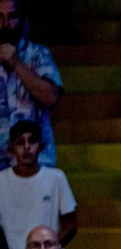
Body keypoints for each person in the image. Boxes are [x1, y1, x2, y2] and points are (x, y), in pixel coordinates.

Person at [0, 121, 73, 249]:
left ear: (40, 146)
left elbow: (70, 224)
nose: (27, 147)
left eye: (32, 141)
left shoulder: (56, 178)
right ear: (11, 148)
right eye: (20, 142)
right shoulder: (2, 181)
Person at [0, 0, 60, 166]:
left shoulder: (38, 54)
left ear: (20, 19)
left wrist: (16, 63)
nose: (5, 24)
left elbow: (51, 97)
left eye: (12, 17)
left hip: (36, 164)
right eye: (0, 17)